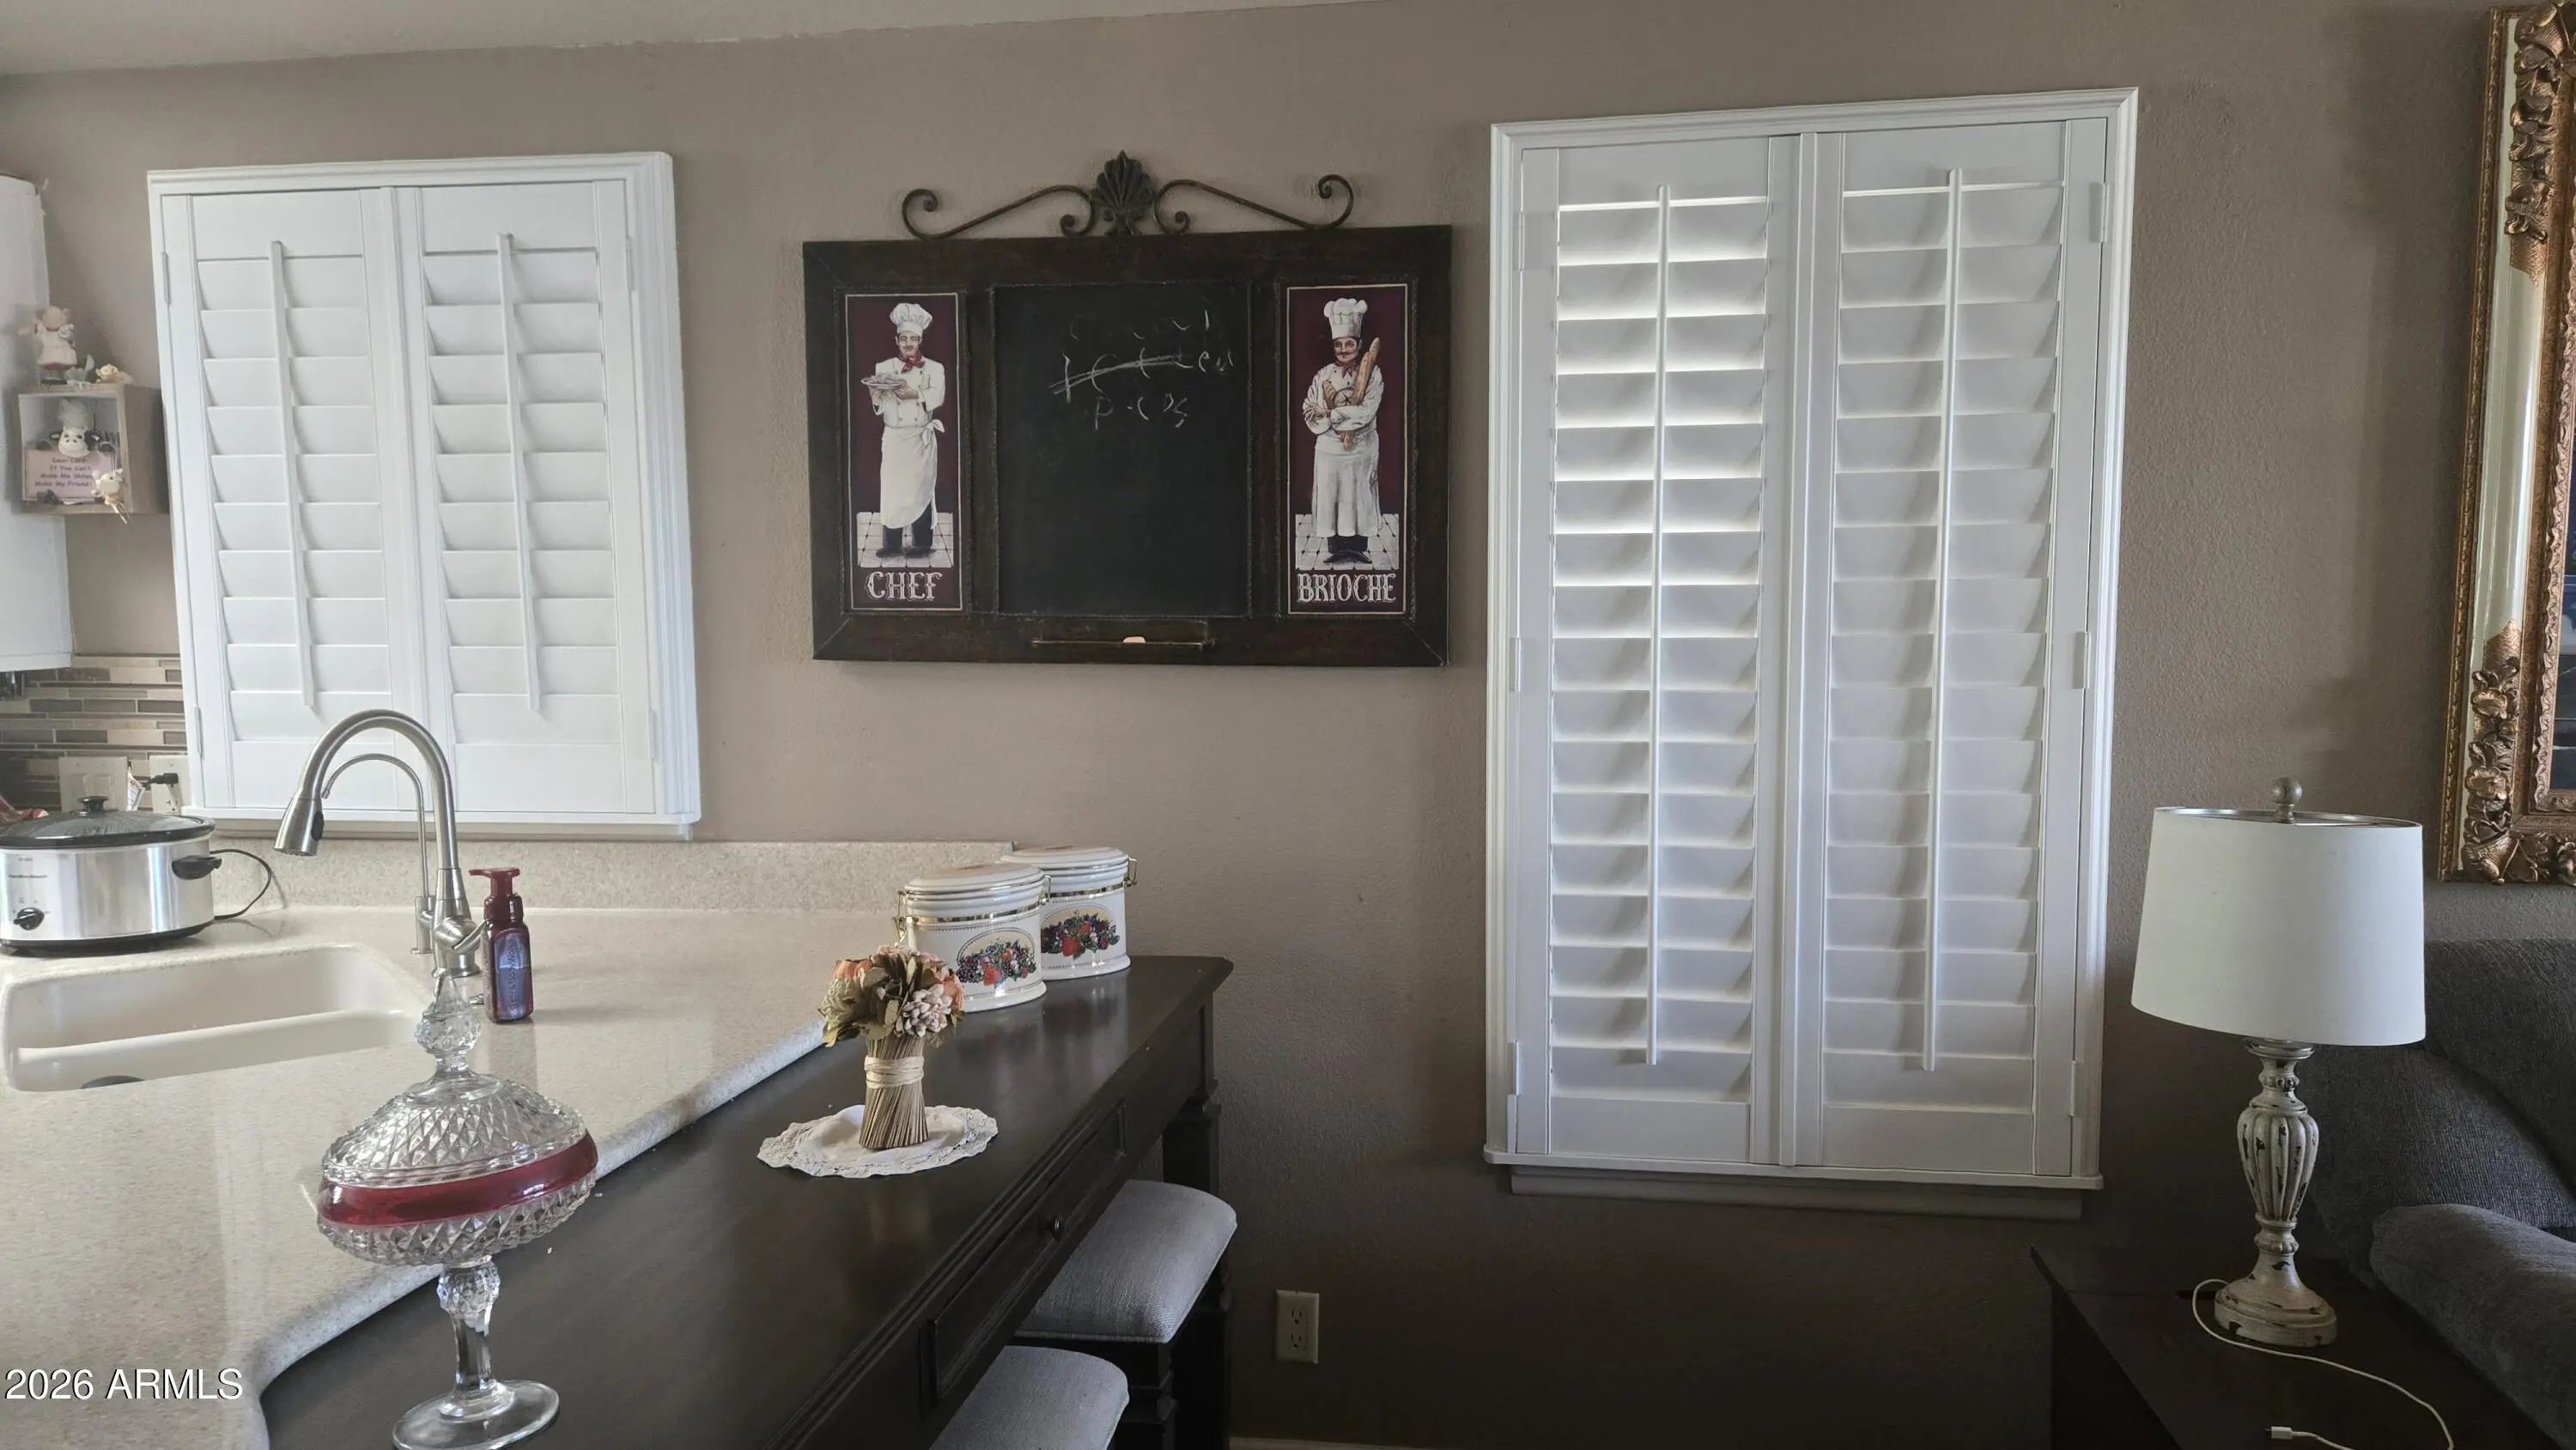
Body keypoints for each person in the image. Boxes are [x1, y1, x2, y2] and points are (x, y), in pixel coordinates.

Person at [1301, 296, 1385, 565]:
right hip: (1329, 451)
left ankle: (1358, 547)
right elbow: (1309, 409)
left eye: (1349, 343)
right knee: (1332, 497)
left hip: (1361, 449)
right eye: (1338, 344)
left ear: (1359, 344)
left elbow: (1367, 411)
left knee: (1359, 496)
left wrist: (1334, 414)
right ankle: (1336, 548)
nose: (1344, 349)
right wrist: (1329, 419)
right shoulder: (1323, 375)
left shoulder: (1372, 374)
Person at [869, 301, 946, 559]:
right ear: (897, 340)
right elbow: (880, 404)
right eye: (904, 339)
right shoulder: (883, 367)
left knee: (921, 489)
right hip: (894, 437)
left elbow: (938, 396)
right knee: (892, 489)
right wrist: (876, 398)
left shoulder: (935, 368)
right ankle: (892, 544)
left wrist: (915, 394)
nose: (908, 344)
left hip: (920, 437)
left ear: (920, 340)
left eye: (913, 338)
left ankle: (922, 543)